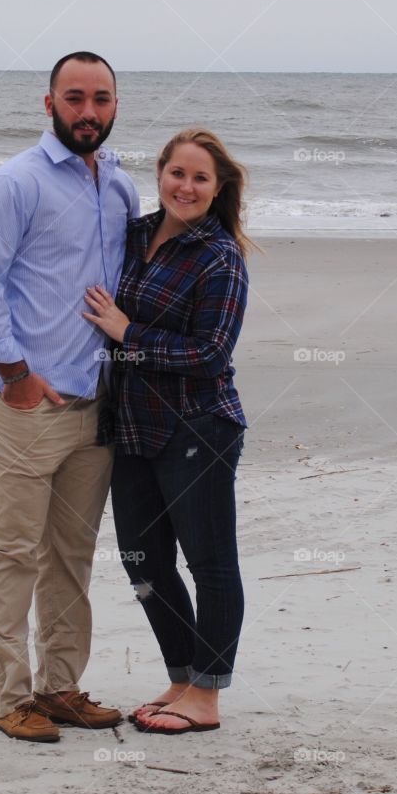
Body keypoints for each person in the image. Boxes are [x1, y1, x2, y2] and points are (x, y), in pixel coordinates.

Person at [0, 52, 140, 743]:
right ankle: (9, 697)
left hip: (94, 407)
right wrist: (15, 375)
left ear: (115, 104)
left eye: (100, 98)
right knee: (9, 552)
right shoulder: (15, 184)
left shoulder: (117, 185)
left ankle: (58, 686)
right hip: (22, 408)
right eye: (74, 98)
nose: (87, 111)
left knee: (70, 555)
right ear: (49, 103)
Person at [82, 128, 251, 735]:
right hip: (131, 428)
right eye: (177, 173)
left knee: (210, 564)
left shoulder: (220, 257)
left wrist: (128, 333)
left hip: (197, 428)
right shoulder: (134, 236)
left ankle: (206, 695)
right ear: (159, 174)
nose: (186, 186)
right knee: (144, 564)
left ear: (218, 188)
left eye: (200, 177)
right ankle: (181, 677)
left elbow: (209, 354)